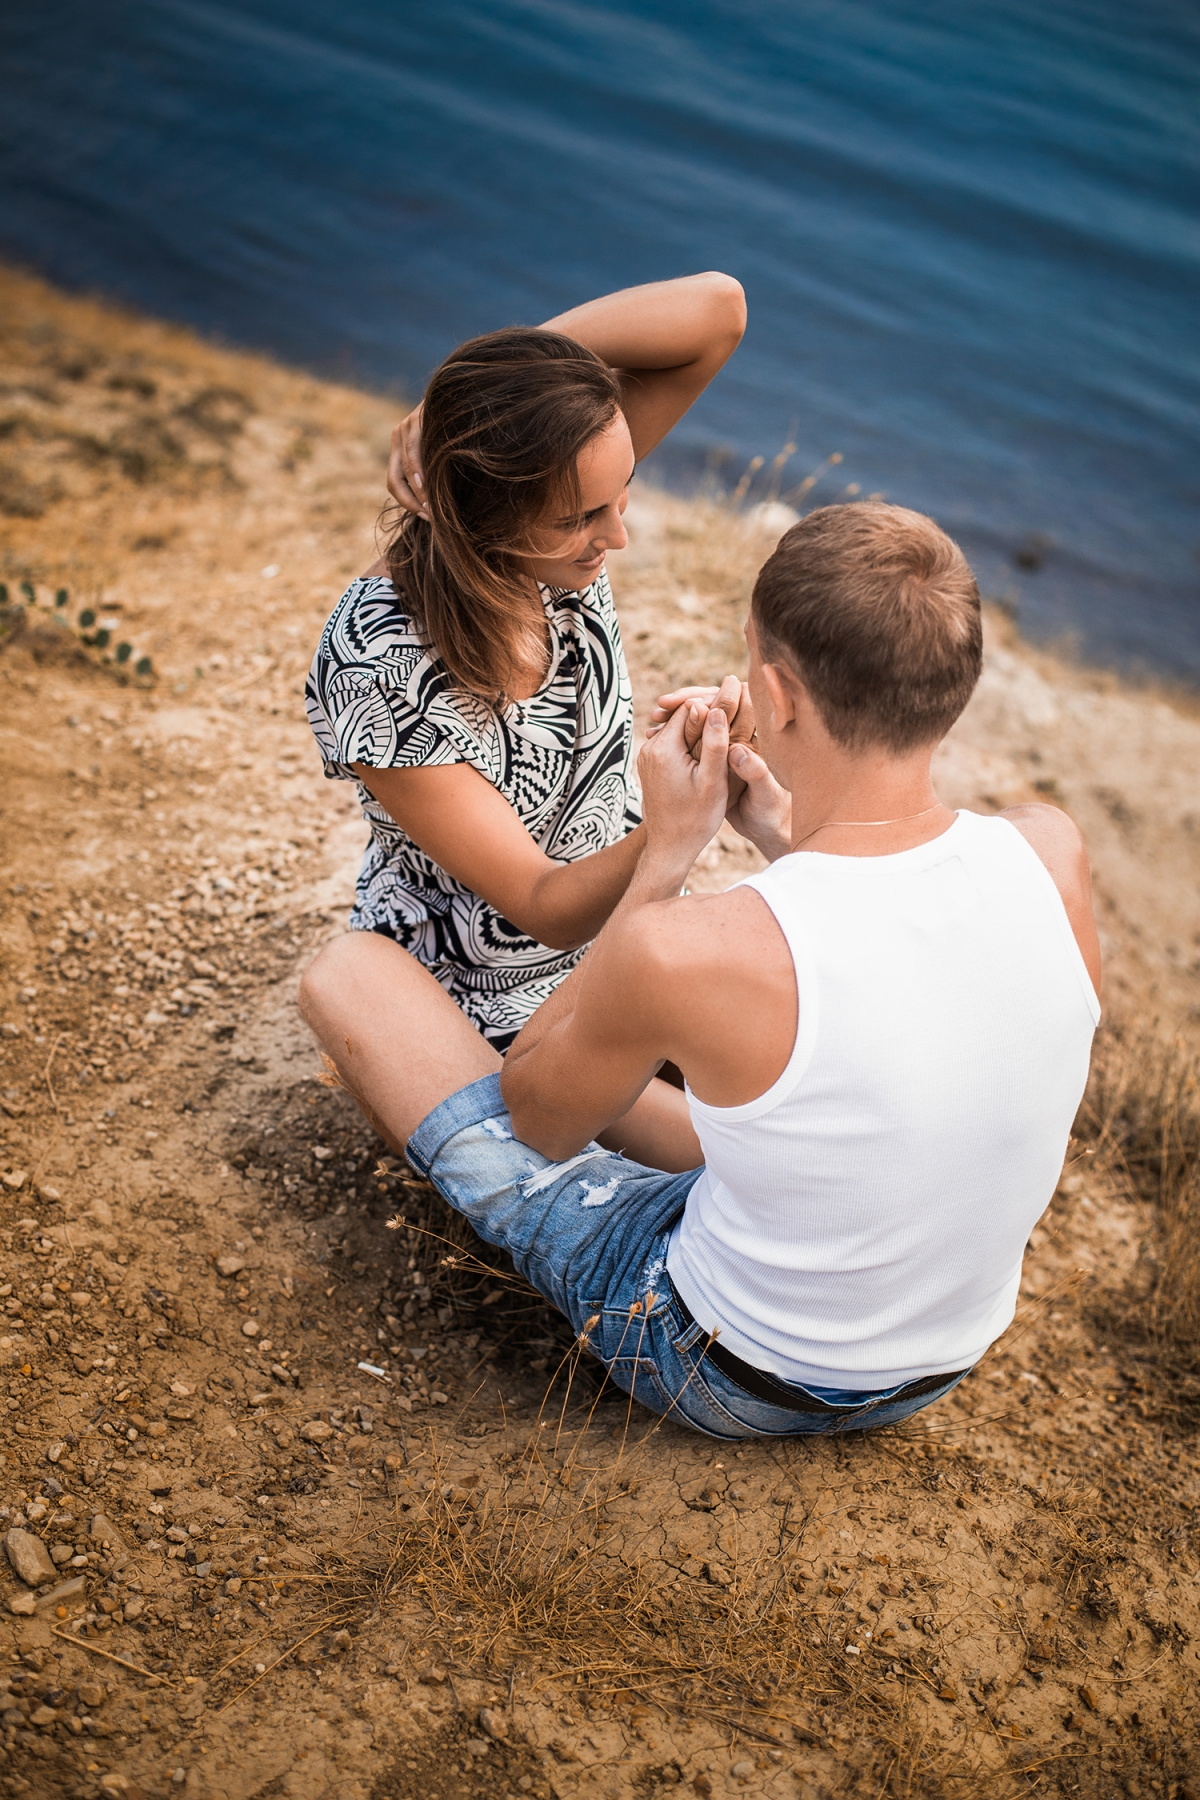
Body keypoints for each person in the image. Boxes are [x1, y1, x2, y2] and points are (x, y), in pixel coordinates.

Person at [299, 502, 1101, 1441]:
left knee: (352, 975)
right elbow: (924, 993)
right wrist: (782, 836)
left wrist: (665, 856)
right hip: (938, 1362)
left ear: (777, 690)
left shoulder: (693, 950)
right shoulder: (1051, 851)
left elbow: (540, 1122)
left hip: (727, 1370)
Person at [304, 275, 748, 1164]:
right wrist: (685, 816)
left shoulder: (557, 536)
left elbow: (717, 312)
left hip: (633, 932)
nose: (615, 535)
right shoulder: (378, 665)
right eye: (584, 517)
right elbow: (541, 907)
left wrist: (454, 403)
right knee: (733, 1153)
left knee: (798, 1073)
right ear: (483, 513)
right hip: (490, 998)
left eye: (620, 497)